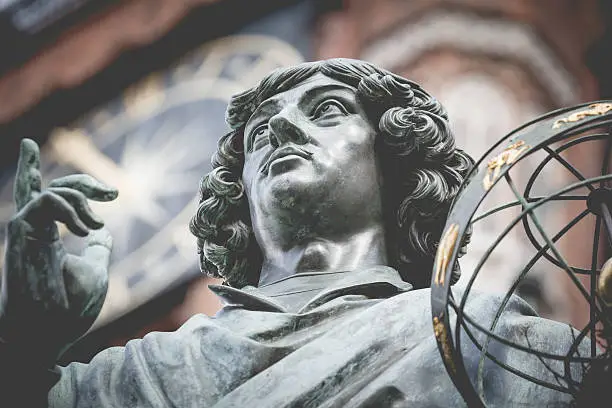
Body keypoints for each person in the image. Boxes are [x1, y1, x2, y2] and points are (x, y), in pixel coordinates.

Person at [0, 59, 590, 407]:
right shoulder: (144, 373)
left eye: (327, 109)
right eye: (258, 136)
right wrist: (27, 345)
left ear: (395, 157)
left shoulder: (488, 337)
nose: (280, 124)